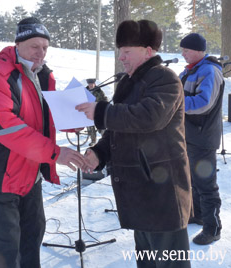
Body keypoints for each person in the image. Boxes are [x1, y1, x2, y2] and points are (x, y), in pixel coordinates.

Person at [0, 17, 87, 268]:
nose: (41, 53)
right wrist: (56, 153)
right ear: (18, 44)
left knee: (32, 237)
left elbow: (44, 116)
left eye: (45, 47)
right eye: (35, 46)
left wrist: (73, 119)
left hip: (29, 172)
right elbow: (6, 126)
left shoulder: (41, 74)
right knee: (7, 247)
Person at [76, 20, 192, 268]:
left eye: (127, 52)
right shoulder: (131, 82)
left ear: (148, 51)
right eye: (120, 52)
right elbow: (120, 127)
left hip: (162, 193)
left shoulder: (165, 79)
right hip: (140, 192)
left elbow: (149, 117)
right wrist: (99, 152)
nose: (122, 58)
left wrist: (102, 111)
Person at [179, 33, 223, 245]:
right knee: (192, 180)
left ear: (198, 50)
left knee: (206, 184)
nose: (183, 54)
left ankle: (213, 228)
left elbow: (203, 103)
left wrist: (176, 103)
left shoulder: (210, 70)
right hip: (189, 135)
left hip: (203, 137)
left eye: (186, 50)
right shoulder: (189, 71)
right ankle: (196, 215)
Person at [86, 78, 108, 146]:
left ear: (94, 84)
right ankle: (93, 141)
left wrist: (105, 104)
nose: (91, 85)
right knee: (90, 127)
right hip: (88, 111)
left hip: (97, 111)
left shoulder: (98, 90)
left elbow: (104, 98)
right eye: (89, 84)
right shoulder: (85, 91)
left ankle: (105, 140)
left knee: (100, 127)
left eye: (92, 84)